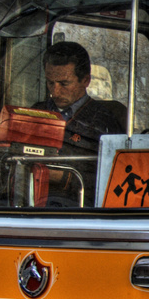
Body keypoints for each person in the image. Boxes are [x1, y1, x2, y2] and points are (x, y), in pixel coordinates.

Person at [34, 40, 127, 203]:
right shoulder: (35, 113)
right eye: (50, 83)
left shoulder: (104, 122)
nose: (55, 91)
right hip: (31, 200)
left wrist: (65, 178)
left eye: (64, 83)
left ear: (85, 81)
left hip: (79, 207)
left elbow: (114, 179)